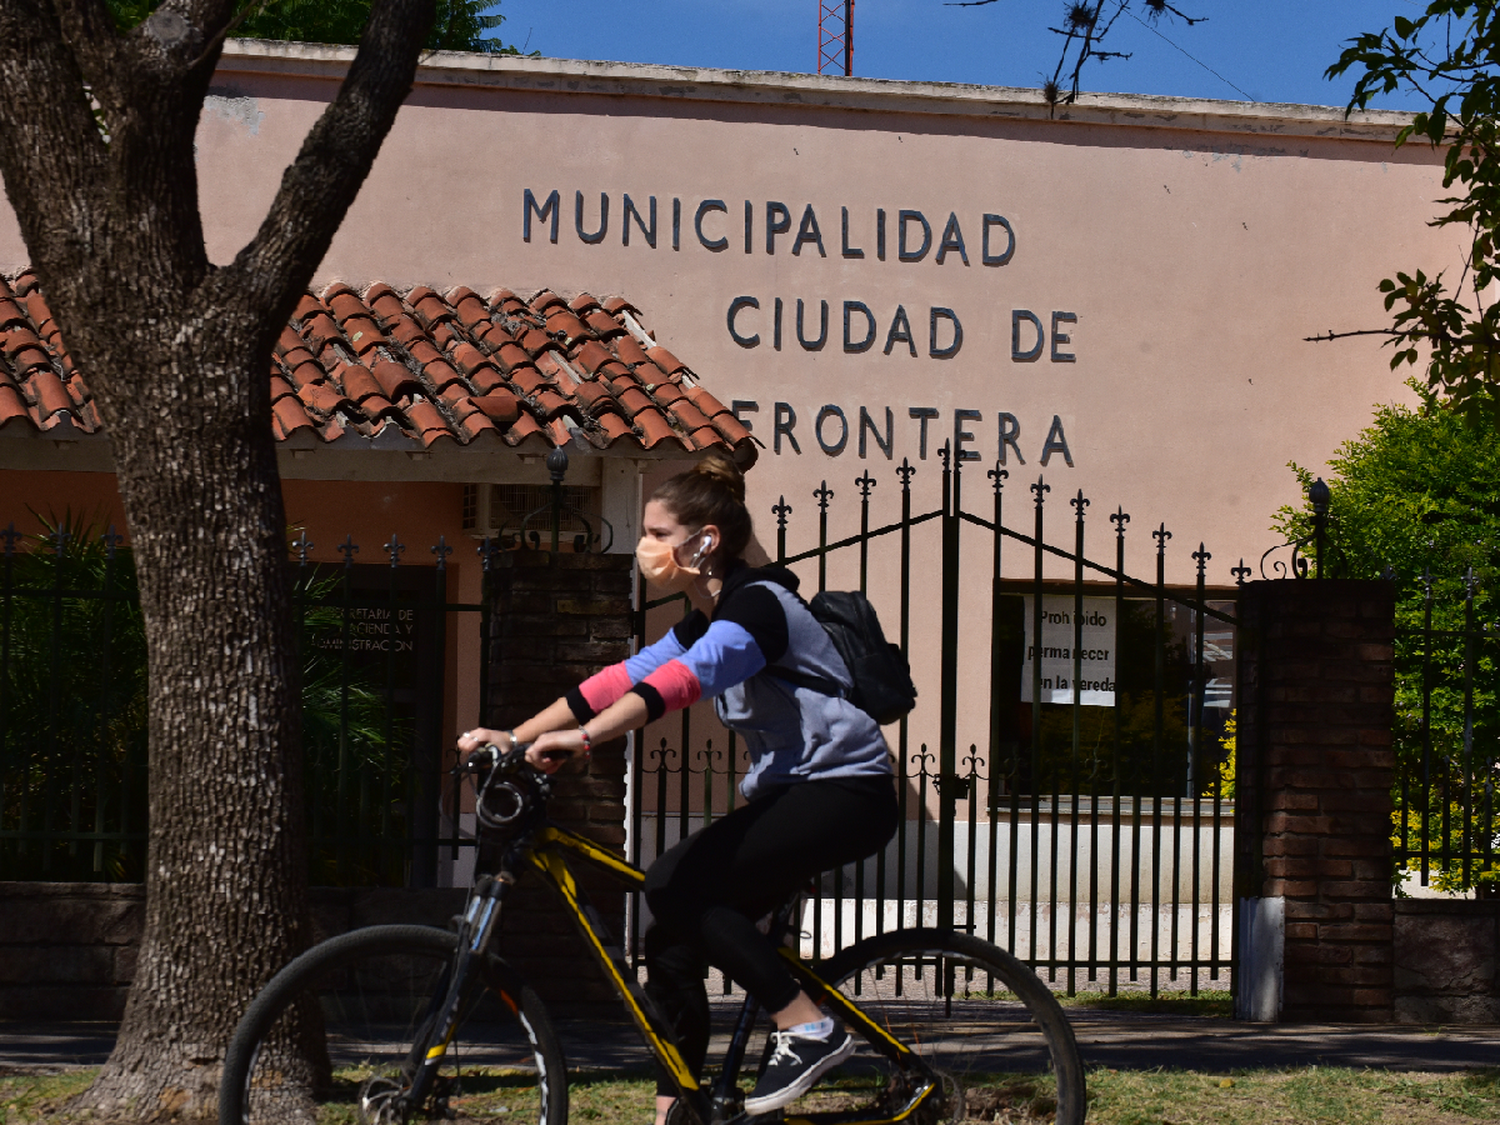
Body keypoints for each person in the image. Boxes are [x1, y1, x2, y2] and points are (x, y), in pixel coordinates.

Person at [457, 450, 899, 1122]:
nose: (647, 547)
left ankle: (807, 1025)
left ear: (704, 540)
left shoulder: (758, 609)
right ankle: (682, 1107)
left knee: (671, 881)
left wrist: (583, 741)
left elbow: (683, 684)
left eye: (659, 534)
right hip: (794, 792)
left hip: (847, 791)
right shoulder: (705, 618)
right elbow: (620, 678)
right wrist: (513, 737)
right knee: (670, 939)